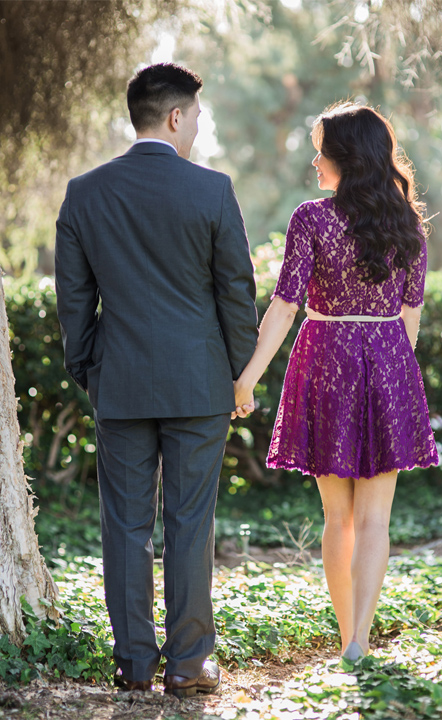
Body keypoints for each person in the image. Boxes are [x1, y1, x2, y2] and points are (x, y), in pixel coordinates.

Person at [55, 63, 259, 697]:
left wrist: (89, 371)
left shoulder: (84, 193)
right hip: (199, 385)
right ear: (175, 117)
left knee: (125, 524)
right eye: (196, 116)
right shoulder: (213, 190)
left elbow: (73, 301)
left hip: (118, 383)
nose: (198, 126)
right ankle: (191, 664)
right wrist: (238, 373)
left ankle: (134, 664)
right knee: (190, 521)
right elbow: (236, 294)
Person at [232, 102, 439, 662]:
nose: (314, 158)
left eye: (321, 148)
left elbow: (283, 307)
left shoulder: (312, 218)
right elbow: (410, 320)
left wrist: (247, 378)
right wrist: (391, 373)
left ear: (344, 155)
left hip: (326, 358)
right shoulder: (408, 224)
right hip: (389, 357)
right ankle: (359, 642)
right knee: (375, 518)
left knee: (337, 517)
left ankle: (348, 632)